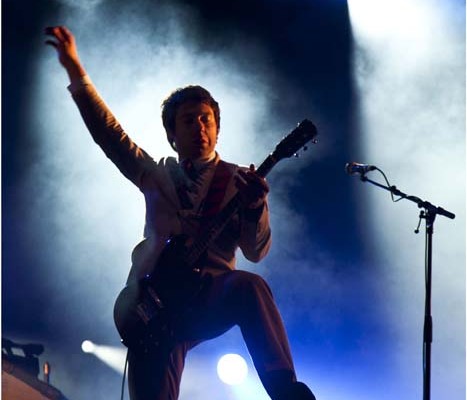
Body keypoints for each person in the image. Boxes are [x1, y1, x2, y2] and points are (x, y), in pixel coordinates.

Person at [45, 26, 316, 400]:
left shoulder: (239, 180)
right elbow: (109, 134)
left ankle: (285, 390)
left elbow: (255, 252)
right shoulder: (155, 175)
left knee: (250, 286)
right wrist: (75, 69)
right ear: (172, 134)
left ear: (217, 129)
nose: (199, 126)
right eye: (188, 120)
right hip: (152, 305)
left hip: (208, 296)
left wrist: (255, 206)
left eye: (206, 118)